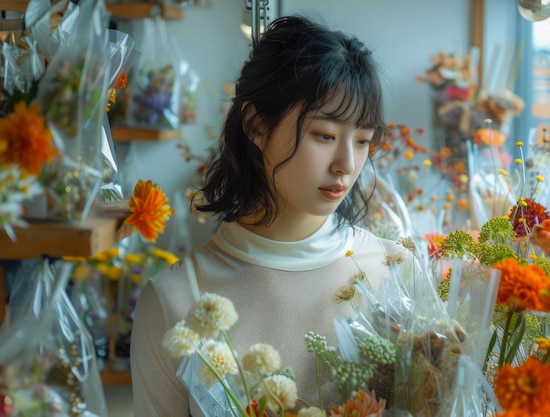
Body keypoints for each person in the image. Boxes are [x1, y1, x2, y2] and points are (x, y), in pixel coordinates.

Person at [130, 14, 409, 416]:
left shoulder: (396, 272)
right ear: (257, 125)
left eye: (363, 141)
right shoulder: (176, 301)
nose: (347, 164)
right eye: (325, 136)